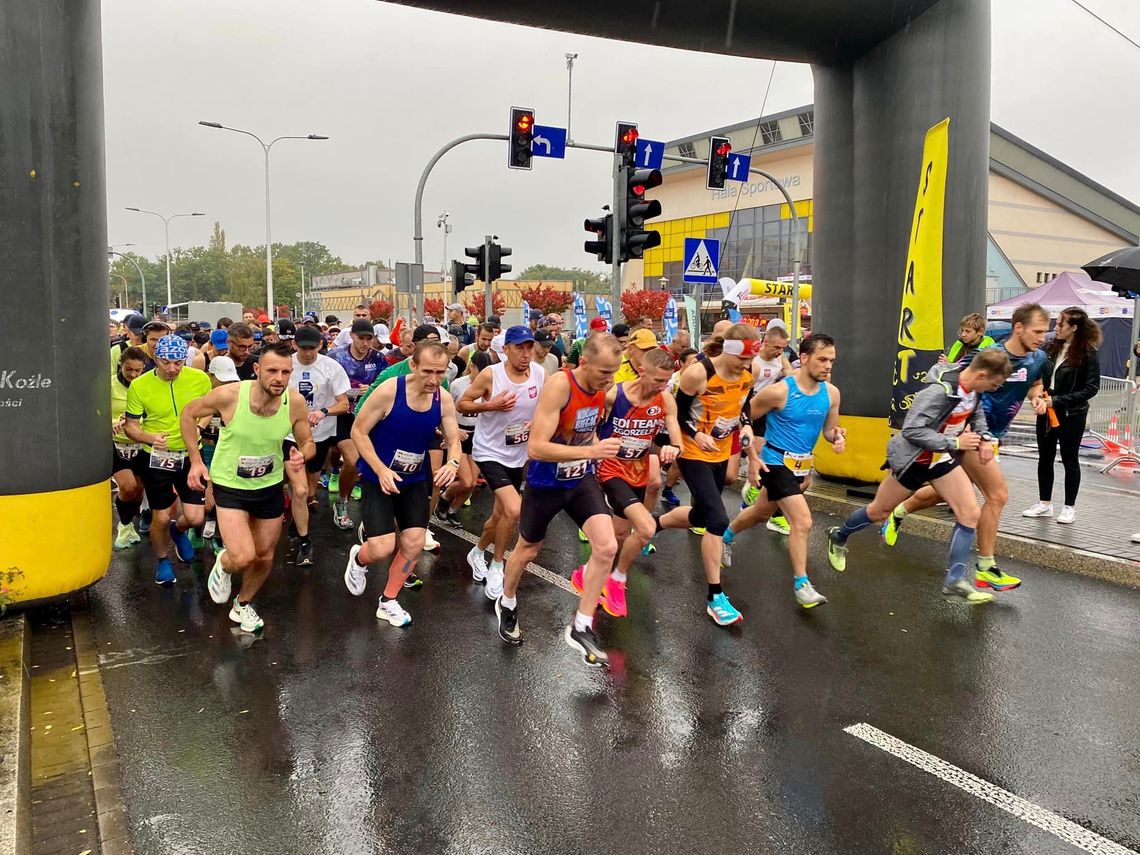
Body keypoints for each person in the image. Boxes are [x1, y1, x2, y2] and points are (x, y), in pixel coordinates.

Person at [883, 303, 1050, 591]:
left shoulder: (1039, 358)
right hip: (971, 434)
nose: (1042, 337)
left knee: (950, 492)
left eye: (1045, 332)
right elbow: (957, 385)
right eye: (1037, 331)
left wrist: (1038, 398)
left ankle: (899, 511)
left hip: (994, 434)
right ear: (1018, 327)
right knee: (996, 495)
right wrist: (966, 430)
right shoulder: (989, 356)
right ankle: (986, 568)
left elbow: (1036, 383)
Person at [826, 349, 1013, 603]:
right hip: (915, 461)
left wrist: (985, 438)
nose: (994, 389)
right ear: (981, 374)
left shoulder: (974, 390)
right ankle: (839, 536)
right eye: (993, 383)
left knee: (970, 513)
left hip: (942, 461)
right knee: (879, 511)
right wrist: (955, 442)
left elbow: (976, 413)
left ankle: (955, 581)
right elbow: (912, 429)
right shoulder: (938, 392)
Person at [495, 334, 623, 667]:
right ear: (583, 363)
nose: (608, 381)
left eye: (614, 373)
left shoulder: (600, 391)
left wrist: (596, 449)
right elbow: (536, 447)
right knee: (527, 549)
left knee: (607, 547)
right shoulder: (560, 386)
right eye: (603, 373)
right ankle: (507, 601)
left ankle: (581, 625)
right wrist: (591, 450)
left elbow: (585, 429)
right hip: (545, 481)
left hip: (580, 478)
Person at [183, 343, 315, 632]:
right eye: (272, 371)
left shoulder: (293, 402)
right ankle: (225, 562)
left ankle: (243, 604)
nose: (279, 378)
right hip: (230, 485)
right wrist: (195, 461)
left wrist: (301, 454)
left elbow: (307, 440)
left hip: (268, 485)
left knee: (265, 555)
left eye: (285, 371)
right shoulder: (230, 396)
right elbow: (188, 414)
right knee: (243, 556)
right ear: (256, 370)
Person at [719, 334, 844, 609]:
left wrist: (837, 437)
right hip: (774, 462)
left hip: (802, 466)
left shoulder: (831, 394)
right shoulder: (780, 391)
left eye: (832, 361)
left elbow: (828, 430)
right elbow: (743, 415)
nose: (828, 366)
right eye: (822, 359)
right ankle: (802, 585)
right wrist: (751, 453)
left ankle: (725, 537)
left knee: (762, 511)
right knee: (803, 520)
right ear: (805, 357)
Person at [345, 341, 462, 627]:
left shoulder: (443, 398)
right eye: (428, 372)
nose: (434, 379)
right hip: (379, 478)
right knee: (382, 548)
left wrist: (453, 463)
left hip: (415, 478)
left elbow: (455, 439)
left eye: (441, 372)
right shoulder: (389, 391)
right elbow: (358, 431)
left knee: (413, 542)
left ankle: (388, 600)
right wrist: (380, 469)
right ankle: (359, 560)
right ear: (413, 365)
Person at [655, 324, 758, 625]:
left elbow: (744, 406)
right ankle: (715, 596)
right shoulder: (698, 373)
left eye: (750, 362)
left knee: (701, 517)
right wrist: (694, 435)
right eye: (742, 360)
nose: (746, 367)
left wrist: (747, 424)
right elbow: (675, 412)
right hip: (692, 453)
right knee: (717, 520)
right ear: (730, 351)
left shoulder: (746, 375)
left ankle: (650, 526)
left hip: (720, 451)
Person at [588, 348, 684, 617]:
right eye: (657, 380)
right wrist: (595, 448)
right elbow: (587, 426)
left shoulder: (665, 400)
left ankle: (586, 573)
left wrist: (673, 448)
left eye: (666, 381)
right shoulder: (613, 396)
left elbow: (675, 435)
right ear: (642, 371)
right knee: (645, 527)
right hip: (610, 469)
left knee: (619, 535)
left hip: (638, 471)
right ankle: (617, 579)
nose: (661, 387)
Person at [458, 326, 545, 599]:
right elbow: (463, 404)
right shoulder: (490, 374)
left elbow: (546, 406)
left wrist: (538, 422)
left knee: (500, 516)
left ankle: (477, 552)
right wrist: (490, 405)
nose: (525, 353)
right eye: (519, 347)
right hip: (488, 452)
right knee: (514, 509)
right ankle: (498, 566)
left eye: (529, 347)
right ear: (505, 350)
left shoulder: (540, 374)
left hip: (518, 454)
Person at [123, 335, 212, 584]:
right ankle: (163, 560)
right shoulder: (140, 385)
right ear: (155, 359)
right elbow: (130, 427)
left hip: (190, 455)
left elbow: (209, 410)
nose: (172, 368)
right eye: (165, 363)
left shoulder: (199, 379)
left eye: (178, 363)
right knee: (161, 516)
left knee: (196, 517)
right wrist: (149, 437)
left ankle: (179, 530)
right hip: (156, 458)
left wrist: (200, 428)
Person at [1022, 306, 1101, 524]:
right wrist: (1038, 397)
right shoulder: (1049, 348)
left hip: (1071, 412)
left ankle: (1069, 507)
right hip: (1047, 409)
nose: (1055, 328)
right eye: (1056, 323)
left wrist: (1057, 401)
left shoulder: (1088, 353)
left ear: (1074, 328)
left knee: (1069, 459)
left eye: (1060, 324)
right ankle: (1044, 503)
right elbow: (1036, 377)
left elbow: (1091, 388)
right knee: (1045, 457)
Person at [285, 324, 351, 565]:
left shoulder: (331, 367)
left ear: (321, 346)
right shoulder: (286, 364)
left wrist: (323, 411)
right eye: (303, 348)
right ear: (294, 345)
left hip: (318, 435)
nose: (308, 353)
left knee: (309, 489)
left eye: (313, 348)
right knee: (297, 486)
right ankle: (299, 527)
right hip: (286, 434)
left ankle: (297, 509)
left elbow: (344, 404)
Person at [327, 319, 386, 529]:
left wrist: (369, 388)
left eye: (369, 338)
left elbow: (384, 385)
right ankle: (334, 471)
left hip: (365, 415)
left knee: (354, 461)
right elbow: (325, 382)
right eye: (361, 338)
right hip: (340, 413)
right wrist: (344, 393)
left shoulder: (378, 358)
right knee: (334, 454)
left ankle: (342, 502)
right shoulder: (336, 356)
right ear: (351, 335)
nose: (365, 343)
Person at [740, 324, 795, 532]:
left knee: (762, 450)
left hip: (767, 409)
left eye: (783, 348)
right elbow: (744, 393)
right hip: (750, 407)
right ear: (765, 343)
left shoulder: (780, 359)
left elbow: (790, 376)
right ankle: (751, 483)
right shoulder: (755, 363)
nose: (780, 351)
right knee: (752, 449)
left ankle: (752, 489)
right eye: (776, 347)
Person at [437, 350, 494, 521]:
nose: (482, 375)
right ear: (471, 367)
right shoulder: (458, 385)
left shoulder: (489, 385)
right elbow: (448, 411)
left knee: (472, 483)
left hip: (477, 435)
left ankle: (453, 511)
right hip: (459, 433)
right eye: (479, 370)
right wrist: (452, 431)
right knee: (466, 481)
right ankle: (445, 497)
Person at [110, 347, 150, 549]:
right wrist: (113, 422)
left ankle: (129, 523)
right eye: (129, 369)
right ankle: (124, 525)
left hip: (140, 445)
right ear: (120, 365)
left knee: (138, 492)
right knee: (128, 487)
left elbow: (154, 413)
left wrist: (136, 421)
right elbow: (96, 413)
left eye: (138, 370)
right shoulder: (108, 385)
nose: (133, 374)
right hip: (116, 445)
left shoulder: (146, 386)